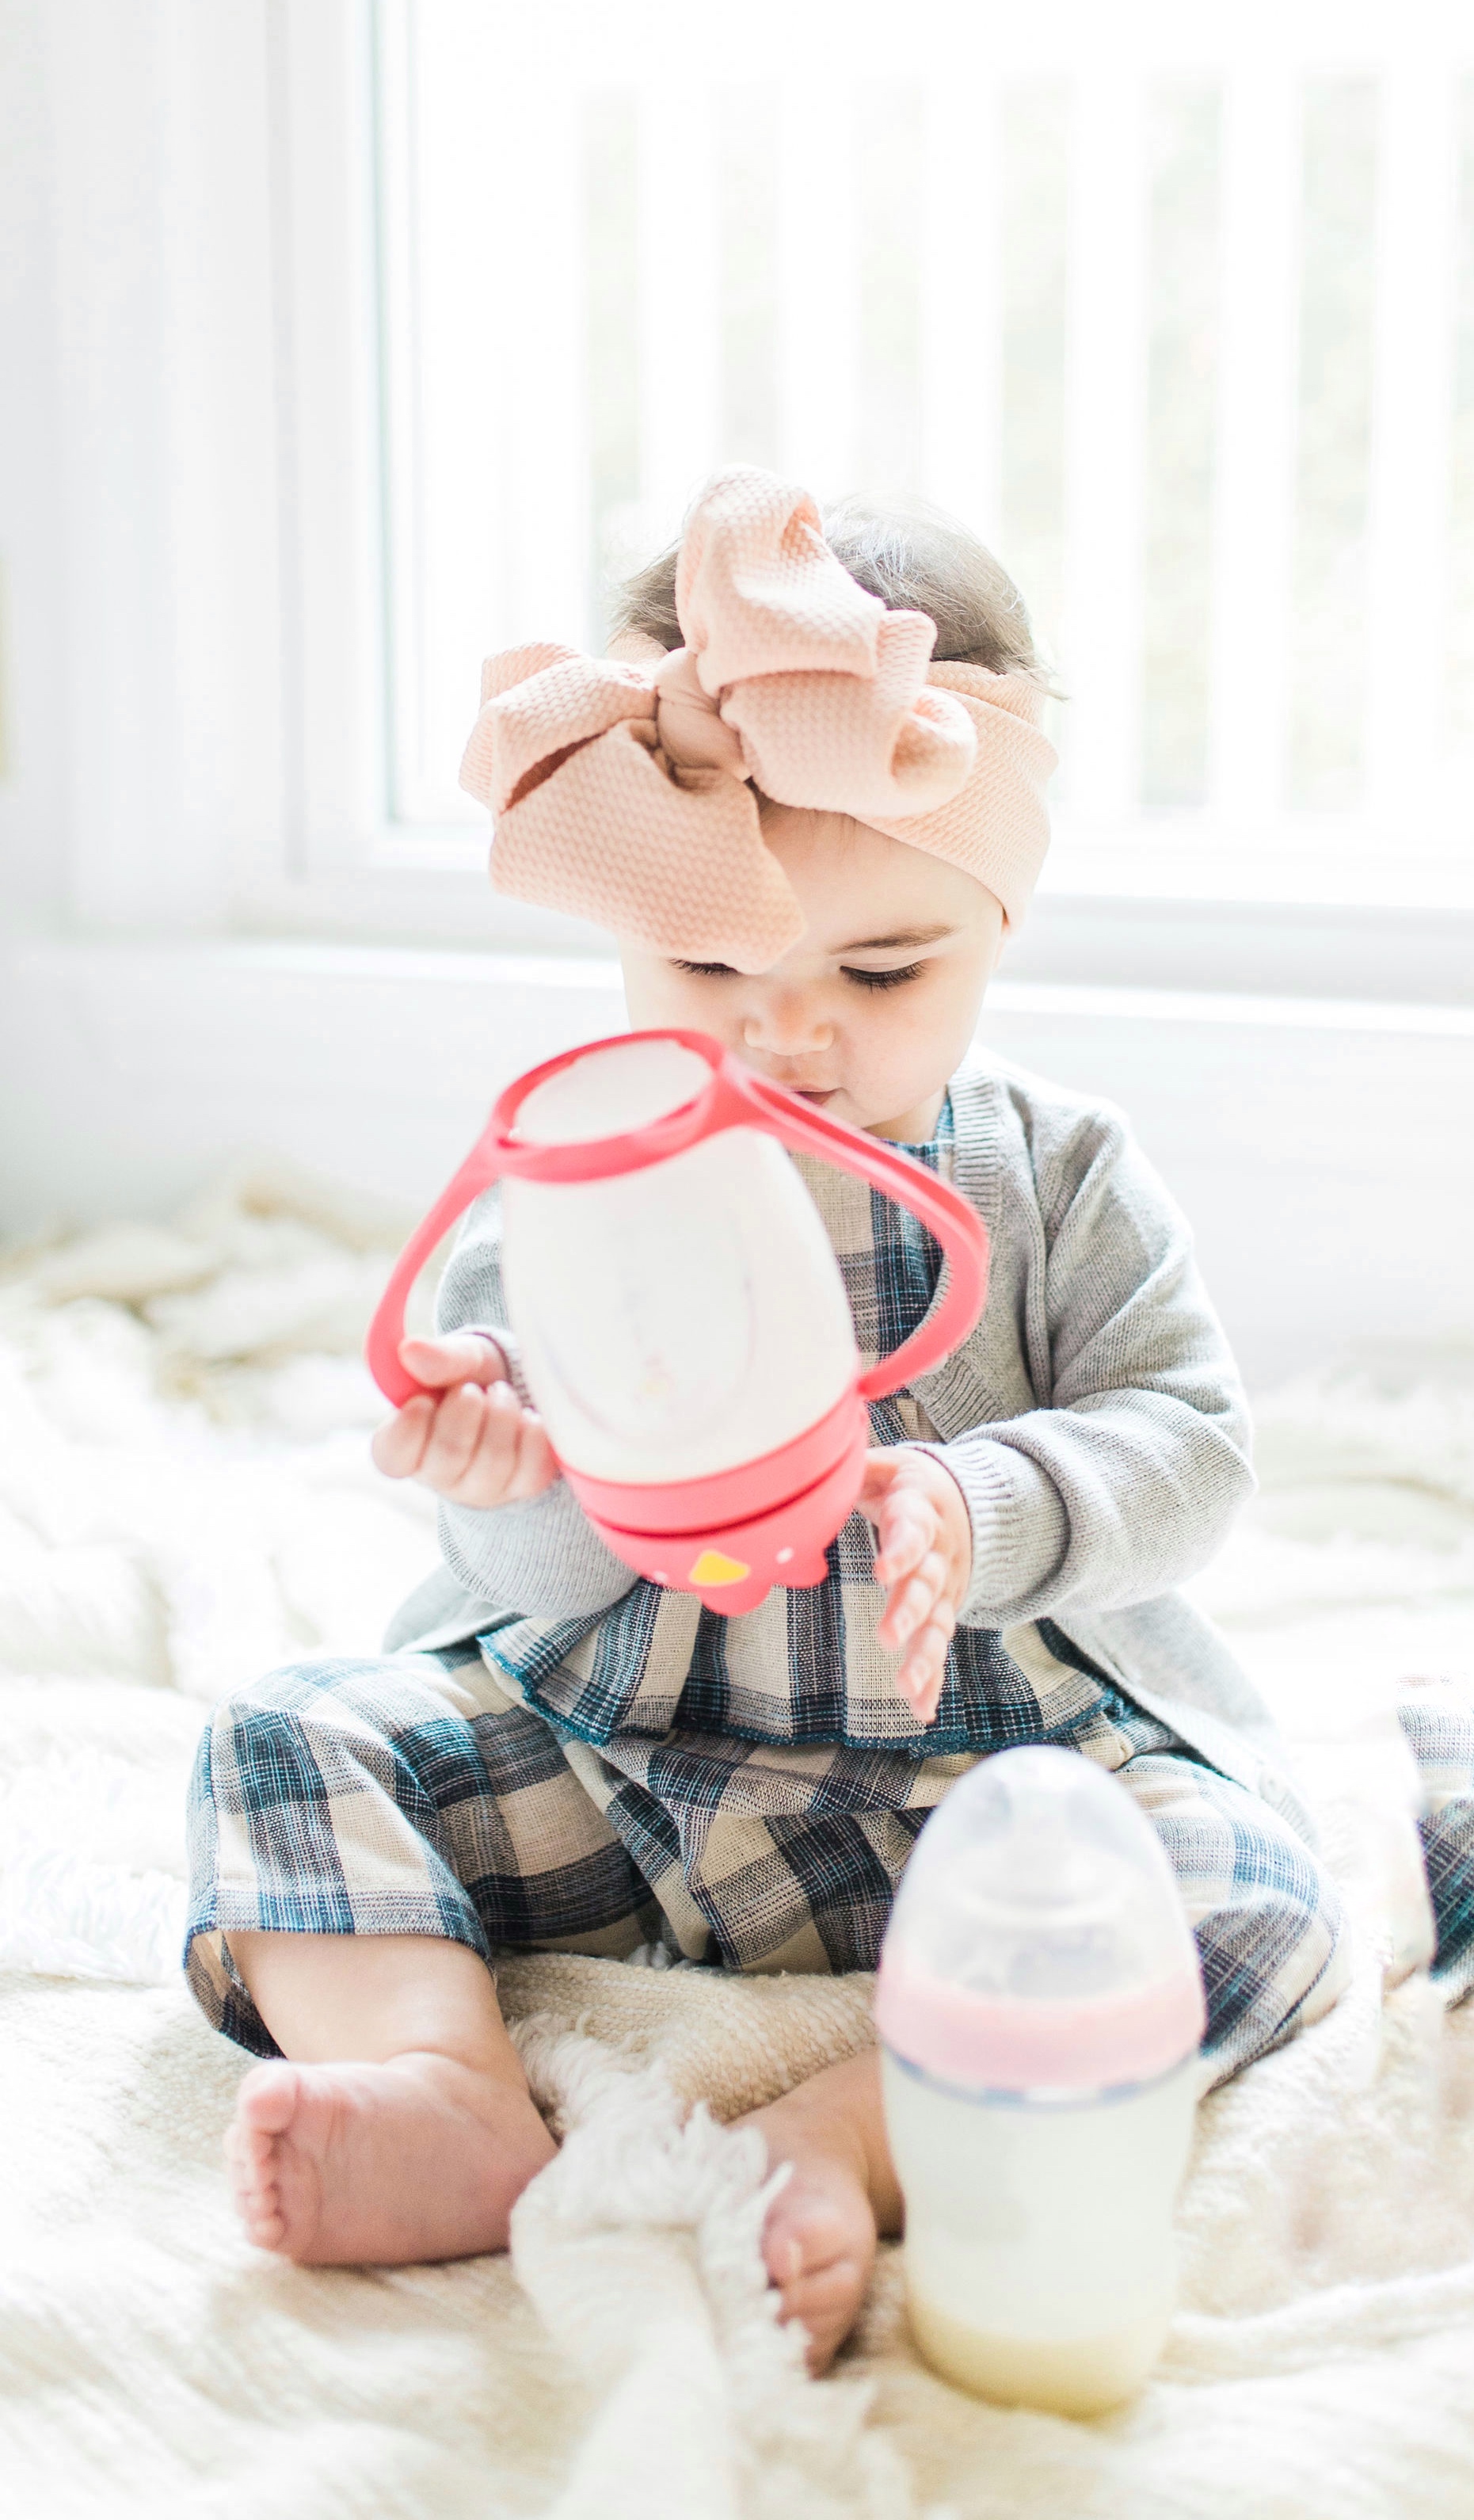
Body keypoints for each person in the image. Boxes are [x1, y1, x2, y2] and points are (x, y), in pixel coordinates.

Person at [186, 467, 1354, 2375]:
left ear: (993, 920)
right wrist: (507, 1479)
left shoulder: (1055, 1180)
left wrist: (997, 1501)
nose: (785, 1035)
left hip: (995, 1801)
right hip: (637, 1756)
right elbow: (550, 1578)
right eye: (708, 969)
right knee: (286, 1739)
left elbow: (1193, 1444)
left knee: (1256, 1899)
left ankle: (866, 2127)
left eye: (881, 971)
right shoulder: (570, 1191)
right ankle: (438, 2086)